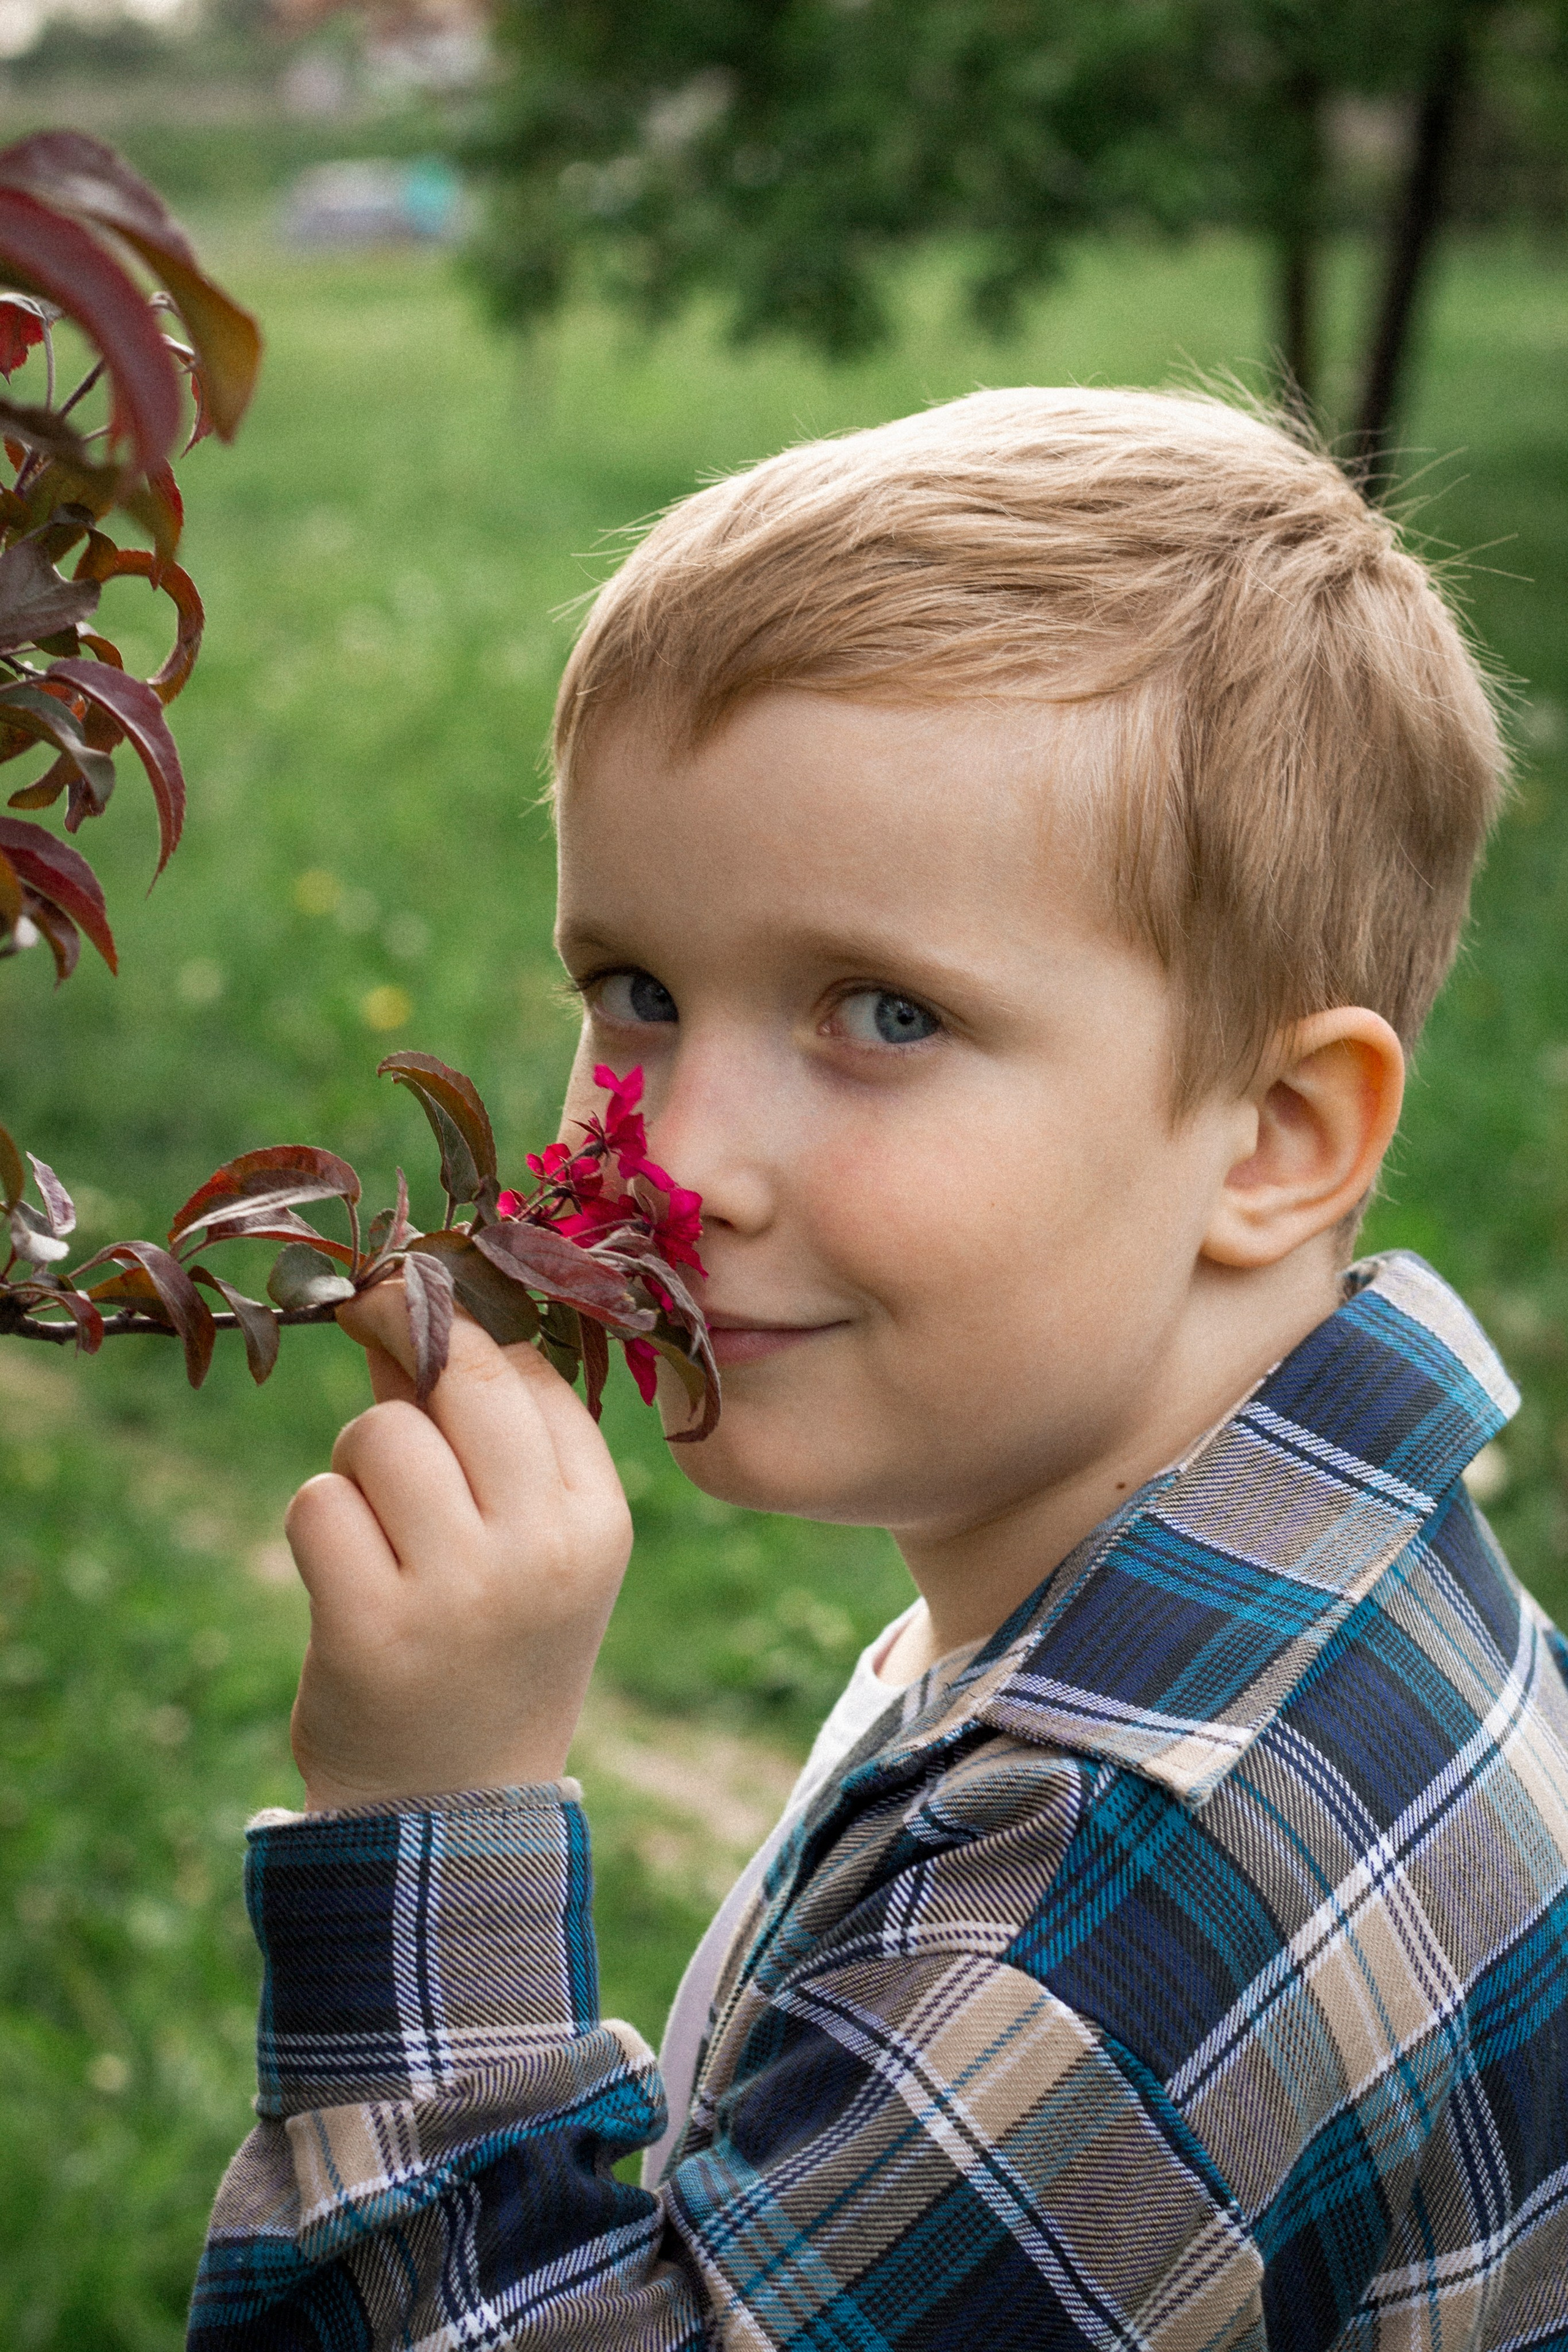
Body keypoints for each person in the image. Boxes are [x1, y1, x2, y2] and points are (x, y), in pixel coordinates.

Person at [189, 389, 1568, 2350]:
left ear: (1274, 1136)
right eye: (638, 993)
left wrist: (437, 1825)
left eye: (883, 1013)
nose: (676, 1156)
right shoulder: (1309, 1610)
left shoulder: (1112, 1918)